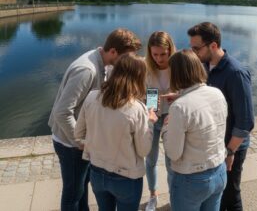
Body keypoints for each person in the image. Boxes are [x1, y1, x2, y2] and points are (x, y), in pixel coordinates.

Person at [48, 28, 141, 211]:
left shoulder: (103, 60)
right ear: (113, 51)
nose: (127, 62)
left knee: (81, 190)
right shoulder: (87, 70)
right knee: (72, 195)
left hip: (79, 141)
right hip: (70, 144)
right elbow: (62, 112)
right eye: (126, 57)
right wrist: (82, 142)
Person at [74, 53, 157, 211]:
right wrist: (150, 122)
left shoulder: (92, 97)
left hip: (97, 172)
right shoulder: (137, 109)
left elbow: (78, 134)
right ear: (138, 78)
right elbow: (143, 149)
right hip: (126, 177)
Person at [187, 22, 255, 211]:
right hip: (216, 142)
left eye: (196, 48)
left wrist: (230, 152)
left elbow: (246, 122)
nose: (193, 53)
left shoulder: (236, 73)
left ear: (213, 46)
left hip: (232, 146)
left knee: (230, 195)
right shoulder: (206, 66)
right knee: (217, 192)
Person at [162, 49, 228, 211]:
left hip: (191, 180)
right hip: (219, 171)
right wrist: (181, 96)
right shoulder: (217, 93)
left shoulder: (179, 108)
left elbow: (173, 154)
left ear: (177, 75)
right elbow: (201, 110)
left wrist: (166, 127)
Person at [144, 31, 176, 211]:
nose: (159, 58)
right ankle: (153, 195)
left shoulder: (178, 66)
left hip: (172, 118)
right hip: (153, 116)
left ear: (170, 49)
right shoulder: (146, 66)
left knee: (172, 161)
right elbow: (145, 94)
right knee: (151, 159)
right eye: (154, 54)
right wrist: (149, 106)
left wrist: (177, 97)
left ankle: (173, 194)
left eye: (163, 54)